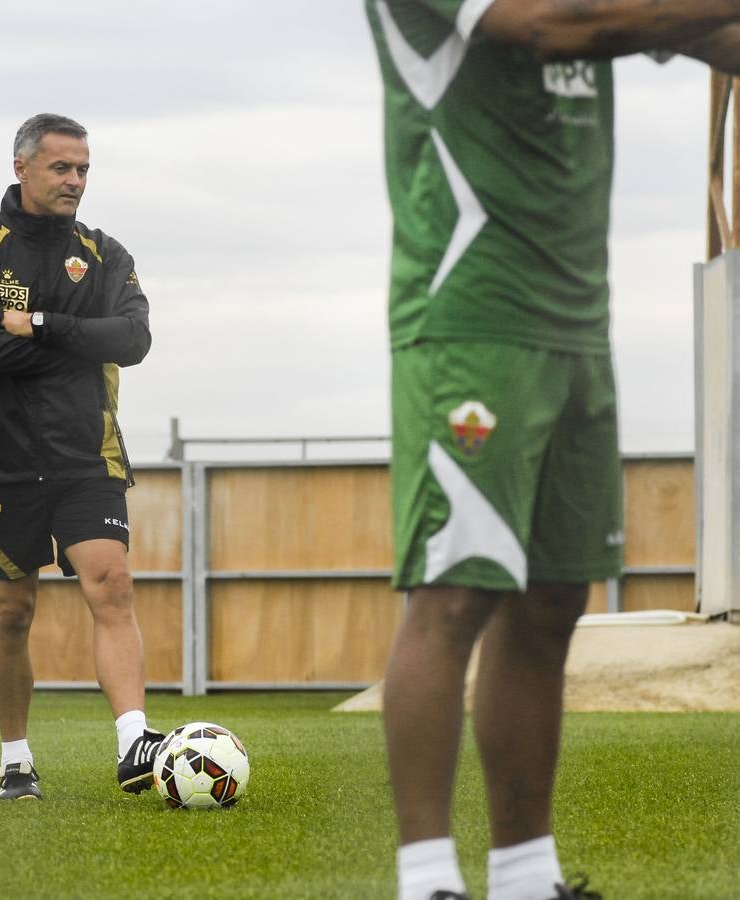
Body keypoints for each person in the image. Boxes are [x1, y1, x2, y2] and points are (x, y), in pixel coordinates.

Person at [365, 3, 740, 899]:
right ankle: (425, 882)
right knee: (455, 592)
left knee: (550, 602)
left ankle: (525, 878)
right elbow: (550, 27)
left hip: (575, 321)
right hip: (467, 316)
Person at [0, 113, 160, 801]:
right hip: (2, 459)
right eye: (61, 168)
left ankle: (134, 745)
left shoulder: (104, 253)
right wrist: (79, 345)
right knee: (12, 611)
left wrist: (40, 324)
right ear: (22, 168)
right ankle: (15, 760)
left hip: (85, 454)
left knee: (112, 583)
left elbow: (131, 340)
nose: (74, 181)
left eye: (83, 169)